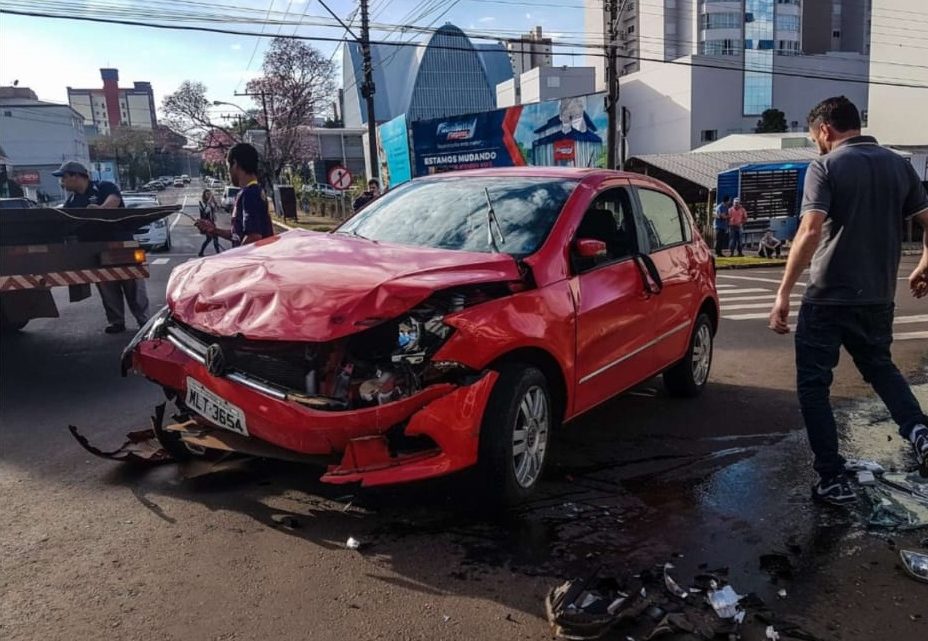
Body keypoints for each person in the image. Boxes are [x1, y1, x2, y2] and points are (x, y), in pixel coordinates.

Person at [768, 96, 928, 506]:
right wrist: (924, 264)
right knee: (880, 368)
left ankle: (831, 476)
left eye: (814, 136)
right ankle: (920, 432)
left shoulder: (825, 166)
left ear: (825, 130)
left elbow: (809, 231)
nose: (816, 143)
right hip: (877, 296)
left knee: (814, 386)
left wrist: (784, 293)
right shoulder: (900, 165)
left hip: (827, 297)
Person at [55, 161, 149, 334]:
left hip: (120, 243)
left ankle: (144, 321)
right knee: (106, 285)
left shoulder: (103, 187)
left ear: (76, 176)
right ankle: (116, 321)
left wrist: (99, 210)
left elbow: (114, 201)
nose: (61, 182)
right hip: (95, 247)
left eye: (64, 178)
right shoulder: (72, 202)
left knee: (133, 283)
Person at [195, 143, 274, 246]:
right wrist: (214, 230)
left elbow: (254, 237)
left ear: (235, 164)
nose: (228, 172)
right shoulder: (252, 191)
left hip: (252, 261)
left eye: (228, 166)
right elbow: (237, 235)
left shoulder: (250, 194)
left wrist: (236, 258)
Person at [197, 188, 222, 256]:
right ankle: (218, 253)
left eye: (210, 194)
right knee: (214, 237)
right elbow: (205, 211)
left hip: (211, 222)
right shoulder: (201, 203)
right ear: (204, 195)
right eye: (207, 194)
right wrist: (209, 203)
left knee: (209, 238)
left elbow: (216, 209)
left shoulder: (211, 202)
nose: (209, 195)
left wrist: (214, 202)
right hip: (206, 223)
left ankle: (201, 252)